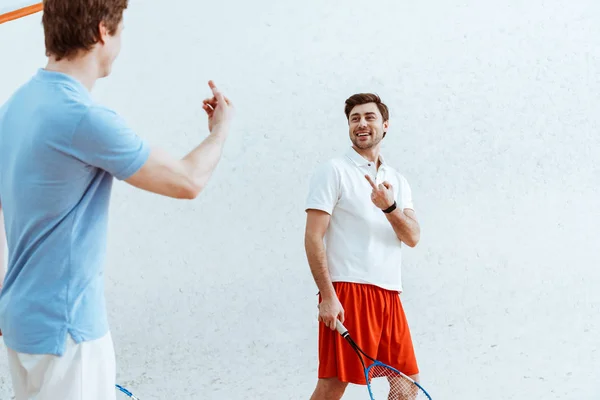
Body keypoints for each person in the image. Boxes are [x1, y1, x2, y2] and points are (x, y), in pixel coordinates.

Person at [0, 0, 234, 399]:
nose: (121, 43)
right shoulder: (84, 118)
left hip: (20, 325)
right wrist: (220, 131)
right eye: (120, 31)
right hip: (68, 335)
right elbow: (188, 180)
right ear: (102, 32)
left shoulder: (14, 107)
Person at [304, 93, 421, 399]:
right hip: (347, 291)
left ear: (385, 125)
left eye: (369, 117)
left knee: (406, 385)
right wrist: (327, 296)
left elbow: (412, 237)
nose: (361, 124)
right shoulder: (333, 170)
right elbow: (313, 236)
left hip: (389, 294)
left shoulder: (398, 180)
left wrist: (389, 206)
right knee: (333, 384)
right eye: (355, 118)